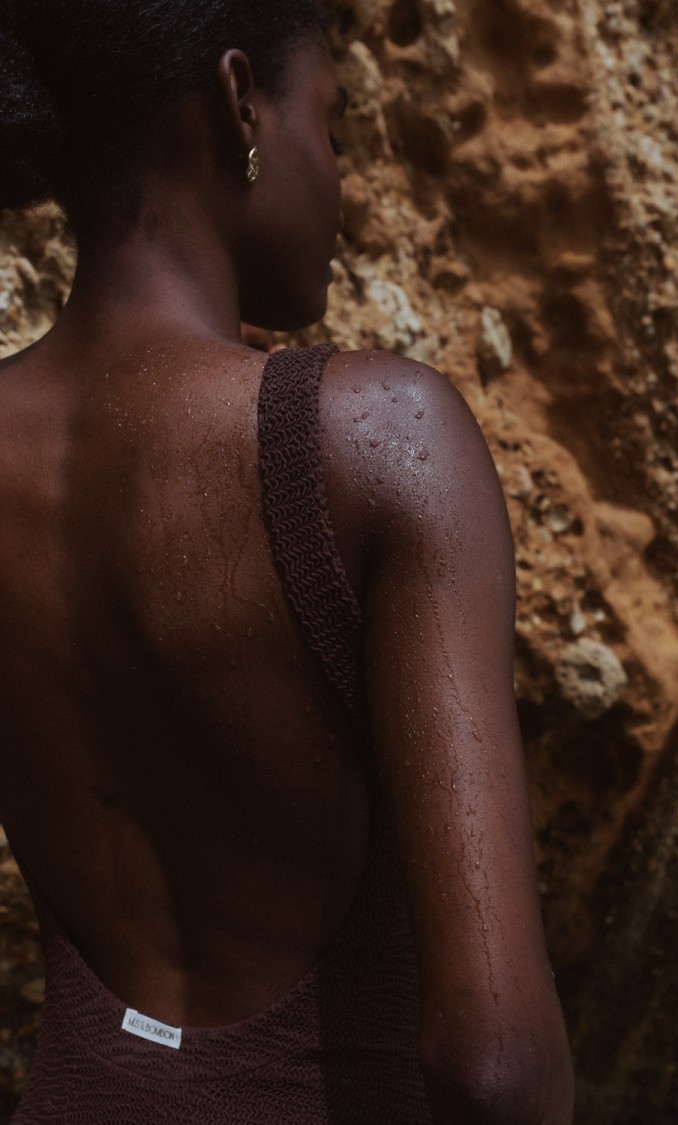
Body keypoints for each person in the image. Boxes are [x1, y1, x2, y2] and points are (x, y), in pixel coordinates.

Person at [0, 2, 574, 1121]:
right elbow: (495, 1062)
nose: (344, 181)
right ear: (239, 102)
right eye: (338, 125)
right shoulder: (371, 440)